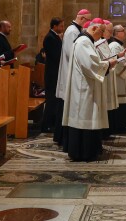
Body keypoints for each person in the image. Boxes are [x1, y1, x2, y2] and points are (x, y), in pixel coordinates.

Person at [60, 19, 117, 162]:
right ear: (94, 28)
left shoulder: (86, 41)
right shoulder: (83, 42)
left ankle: (89, 151)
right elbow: (91, 65)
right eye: (101, 31)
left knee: (87, 118)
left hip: (86, 86)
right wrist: (108, 64)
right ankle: (84, 152)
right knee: (85, 118)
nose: (102, 34)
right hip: (84, 89)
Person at [54, 9, 92, 145]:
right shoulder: (72, 31)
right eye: (88, 20)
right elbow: (71, 53)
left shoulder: (76, 30)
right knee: (65, 107)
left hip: (72, 71)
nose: (88, 23)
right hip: (69, 73)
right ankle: (62, 137)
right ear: (82, 18)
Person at [109, 24, 126, 133]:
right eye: (122, 30)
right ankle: (119, 126)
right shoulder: (114, 46)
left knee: (124, 103)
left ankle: (123, 125)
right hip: (119, 80)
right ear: (116, 33)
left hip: (123, 79)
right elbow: (118, 64)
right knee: (121, 103)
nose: (125, 32)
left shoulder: (119, 45)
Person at [41, 17, 64, 133]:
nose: (62, 28)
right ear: (54, 26)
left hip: (55, 72)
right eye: (61, 26)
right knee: (50, 100)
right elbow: (56, 55)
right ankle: (46, 125)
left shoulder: (55, 36)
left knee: (54, 100)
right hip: (52, 73)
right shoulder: (50, 37)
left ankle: (52, 123)